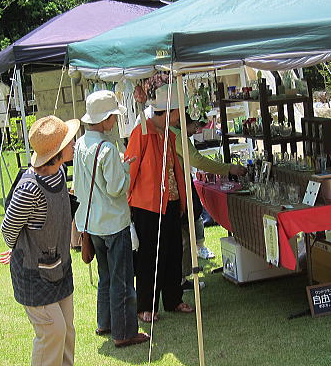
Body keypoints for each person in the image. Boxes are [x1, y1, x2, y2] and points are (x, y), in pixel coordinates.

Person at [0, 115, 80, 366]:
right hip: (33, 273)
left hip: (60, 267)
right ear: (56, 153)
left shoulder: (60, 172)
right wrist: (20, 248)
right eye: (69, 141)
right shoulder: (29, 189)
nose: (74, 144)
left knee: (66, 331)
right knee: (52, 331)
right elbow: (8, 230)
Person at [73, 90, 149, 348]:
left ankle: (105, 322)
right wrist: (126, 168)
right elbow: (117, 188)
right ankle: (124, 332)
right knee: (122, 279)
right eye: (113, 116)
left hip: (92, 222)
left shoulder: (80, 144)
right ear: (104, 119)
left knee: (106, 276)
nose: (116, 121)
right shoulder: (106, 148)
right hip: (113, 222)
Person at [126, 83, 193, 323]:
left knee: (173, 252)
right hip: (148, 206)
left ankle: (173, 299)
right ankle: (146, 306)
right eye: (178, 112)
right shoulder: (142, 132)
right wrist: (128, 200)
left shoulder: (168, 134)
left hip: (171, 202)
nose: (180, 117)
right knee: (149, 257)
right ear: (169, 111)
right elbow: (130, 169)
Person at [170, 112, 247, 290]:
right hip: (178, 188)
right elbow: (197, 160)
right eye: (195, 126)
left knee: (183, 234)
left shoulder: (172, 133)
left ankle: (179, 278)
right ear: (184, 123)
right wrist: (228, 168)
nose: (196, 131)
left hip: (176, 187)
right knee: (183, 235)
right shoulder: (178, 135)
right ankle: (180, 279)